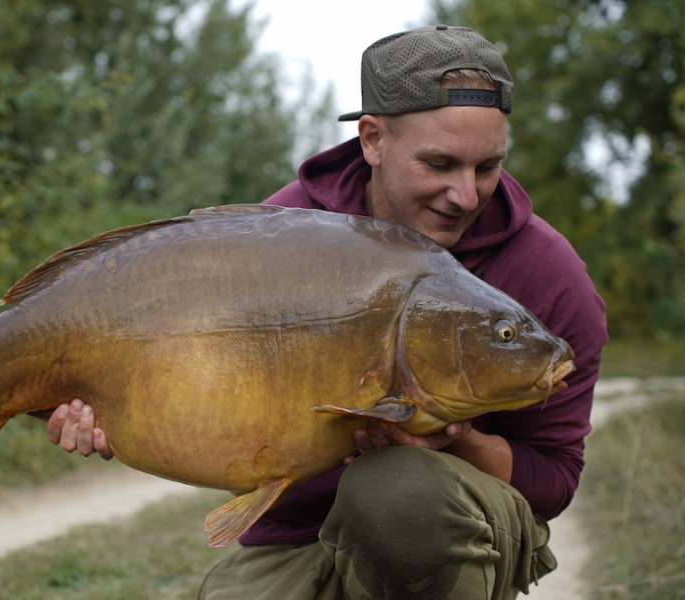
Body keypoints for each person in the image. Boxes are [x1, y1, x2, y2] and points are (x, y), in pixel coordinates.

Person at [46, 25, 607, 599]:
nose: (464, 195)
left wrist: (453, 440)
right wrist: (120, 412)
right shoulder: (281, 234)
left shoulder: (551, 278)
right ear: (372, 139)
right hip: (293, 534)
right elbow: (201, 383)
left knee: (398, 490)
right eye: (439, 164)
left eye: (486, 167)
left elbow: (557, 478)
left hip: (449, 525)